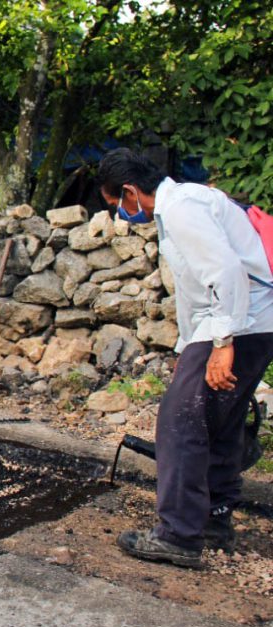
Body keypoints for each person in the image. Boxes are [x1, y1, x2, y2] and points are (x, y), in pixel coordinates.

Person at [99, 148, 273, 568]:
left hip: (239, 324)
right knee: (218, 424)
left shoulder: (180, 209)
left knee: (180, 425)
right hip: (250, 323)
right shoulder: (187, 202)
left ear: (129, 191)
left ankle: (178, 534)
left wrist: (222, 342)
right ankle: (213, 519)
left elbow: (226, 272)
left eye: (117, 204)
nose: (122, 215)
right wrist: (190, 348)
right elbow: (200, 290)